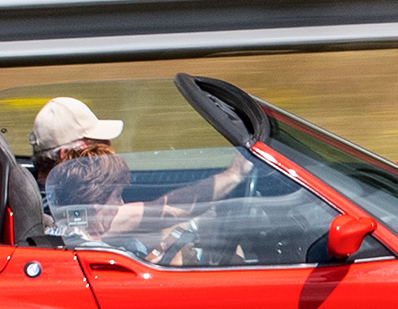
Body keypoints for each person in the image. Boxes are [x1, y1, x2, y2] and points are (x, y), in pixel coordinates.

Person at [30, 95, 251, 255]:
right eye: (99, 145)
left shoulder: (52, 191)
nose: (109, 147)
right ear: (66, 154)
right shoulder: (73, 208)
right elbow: (164, 211)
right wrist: (235, 174)